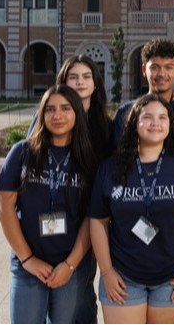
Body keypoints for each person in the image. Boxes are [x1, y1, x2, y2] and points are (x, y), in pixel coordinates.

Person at [89, 94, 174, 324]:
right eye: (147, 117)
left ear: (170, 125)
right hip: (122, 277)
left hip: (172, 278)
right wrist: (106, 272)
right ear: (134, 122)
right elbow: (98, 220)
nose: (156, 122)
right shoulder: (111, 167)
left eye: (163, 117)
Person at [0, 85, 98, 324]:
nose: (57, 116)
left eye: (65, 108)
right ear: (41, 115)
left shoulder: (88, 159)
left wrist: (70, 264)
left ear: (76, 114)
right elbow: (4, 207)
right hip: (28, 265)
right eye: (49, 109)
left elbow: (91, 218)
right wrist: (27, 259)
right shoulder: (22, 152)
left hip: (70, 266)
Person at [27, 54, 113, 324]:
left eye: (86, 77)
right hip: (48, 222)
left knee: (80, 295)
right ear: (62, 81)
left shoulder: (104, 126)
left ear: (96, 83)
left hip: (85, 222)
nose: (80, 82)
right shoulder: (50, 118)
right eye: (73, 77)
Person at [112, 38, 174, 173]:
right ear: (144, 69)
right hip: (136, 187)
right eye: (155, 67)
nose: (162, 74)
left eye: (168, 67)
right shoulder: (125, 113)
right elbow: (117, 159)